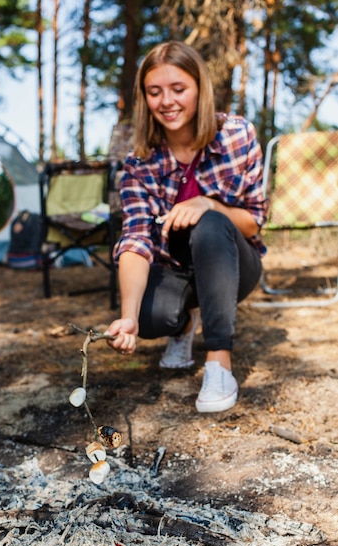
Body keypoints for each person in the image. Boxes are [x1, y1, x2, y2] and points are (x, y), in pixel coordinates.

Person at [106, 40, 268, 413]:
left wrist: (209, 204)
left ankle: (218, 360)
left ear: (200, 88)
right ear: (144, 97)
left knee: (210, 223)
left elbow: (253, 220)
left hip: (236, 264)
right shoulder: (138, 163)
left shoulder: (237, 136)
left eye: (178, 89)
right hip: (177, 267)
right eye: (154, 92)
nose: (167, 101)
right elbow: (135, 239)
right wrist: (128, 317)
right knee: (148, 317)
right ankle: (181, 325)